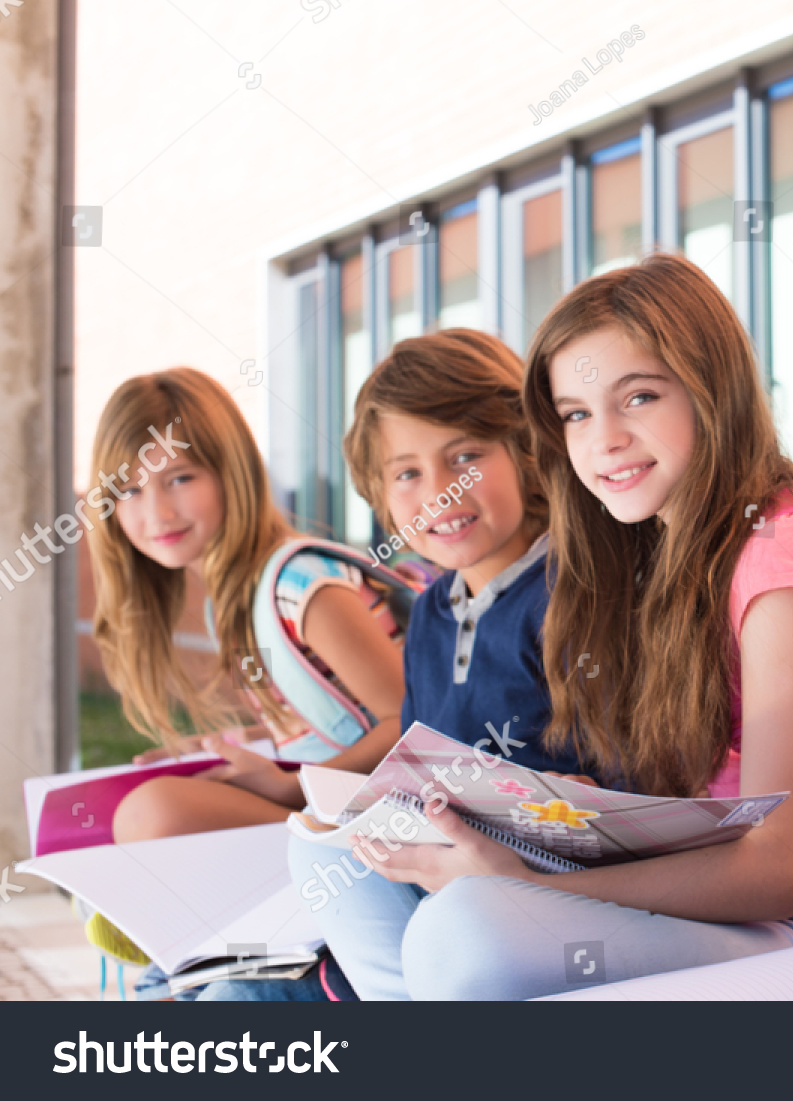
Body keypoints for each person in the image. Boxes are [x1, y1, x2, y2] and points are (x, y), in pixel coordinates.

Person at [339, 253, 793, 1000]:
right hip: (738, 917)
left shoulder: (788, 553)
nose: (606, 439)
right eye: (577, 414)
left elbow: (775, 873)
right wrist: (559, 819)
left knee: (465, 927)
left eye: (641, 396)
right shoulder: (659, 554)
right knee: (340, 871)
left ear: (711, 392)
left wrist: (526, 877)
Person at [211, 328, 596, 1003]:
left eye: (466, 457)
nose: (440, 492)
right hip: (431, 880)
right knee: (302, 865)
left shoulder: (575, 593)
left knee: (446, 923)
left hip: (534, 894)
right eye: (408, 472)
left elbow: (621, 778)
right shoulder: (430, 615)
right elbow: (414, 764)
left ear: (528, 453)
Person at [88, 367, 406, 841]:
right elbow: (301, 725)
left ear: (230, 473)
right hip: (330, 799)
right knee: (138, 806)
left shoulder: (302, 589)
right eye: (129, 491)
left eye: (178, 479)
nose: (157, 513)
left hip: (388, 813)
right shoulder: (230, 609)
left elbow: (409, 724)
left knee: (154, 814)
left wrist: (292, 788)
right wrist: (219, 748)